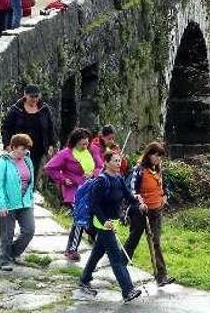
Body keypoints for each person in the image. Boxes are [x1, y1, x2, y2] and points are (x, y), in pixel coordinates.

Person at [78, 150, 143, 303]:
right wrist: (103, 220)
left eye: (119, 161)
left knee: (98, 251)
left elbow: (128, 196)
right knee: (116, 257)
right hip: (102, 222)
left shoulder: (119, 178)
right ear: (106, 162)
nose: (118, 163)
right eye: (115, 161)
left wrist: (138, 201)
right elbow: (94, 205)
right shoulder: (101, 181)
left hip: (113, 222)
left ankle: (85, 277)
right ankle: (128, 290)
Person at [45, 128, 102, 262]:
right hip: (74, 191)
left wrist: (94, 173)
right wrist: (63, 179)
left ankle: (100, 244)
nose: (85, 146)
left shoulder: (92, 151)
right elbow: (49, 167)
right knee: (80, 218)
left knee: (91, 219)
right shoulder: (65, 154)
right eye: (82, 144)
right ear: (75, 142)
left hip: (90, 189)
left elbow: (101, 166)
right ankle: (72, 249)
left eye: (86, 143)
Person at [124, 142, 175, 287]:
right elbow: (131, 189)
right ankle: (120, 268)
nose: (158, 158)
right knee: (134, 239)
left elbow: (165, 188)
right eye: (155, 155)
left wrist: (165, 197)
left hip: (156, 210)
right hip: (140, 211)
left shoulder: (159, 170)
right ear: (148, 154)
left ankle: (161, 276)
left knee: (156, 243)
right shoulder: (138, 170)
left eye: (160, 156)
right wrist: (139, 202)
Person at [0, 133, 36, 271]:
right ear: (14, 147)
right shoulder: (3, 162)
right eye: (22, 149)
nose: (25, 152)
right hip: (8, 204)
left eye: (26, 149)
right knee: (7, 234)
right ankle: (4, 260)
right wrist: (1, 204)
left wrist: (30, 198)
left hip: (25, 202)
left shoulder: (28, 160)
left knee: (29, 230)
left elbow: (31, 181)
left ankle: (13, 253)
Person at [0, 84, 56, 180]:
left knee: (33, 175)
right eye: (32, 96)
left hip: (38, 149)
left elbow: (50, 128)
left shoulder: (44, 109)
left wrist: (51, 144)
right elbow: (6, 128)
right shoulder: (16, 110)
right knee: (19, 175)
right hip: (19, 148)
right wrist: (7, 145)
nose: (34, 99)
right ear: (25, 95)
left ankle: (29, 193)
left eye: (36, 96)